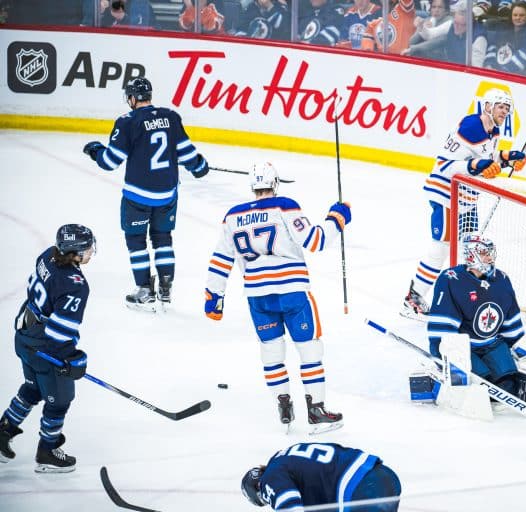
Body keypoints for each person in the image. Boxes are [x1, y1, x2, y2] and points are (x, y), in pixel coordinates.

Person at [204, 162, 349, 432]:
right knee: (309, 349)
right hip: (292, 292)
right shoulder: (285, 206)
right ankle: (316, 411)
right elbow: (315, 240)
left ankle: (284, 408)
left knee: (271, 352)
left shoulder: (232, 216)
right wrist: (337, 219)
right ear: (275, 183)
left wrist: (214, 294)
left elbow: (221, 258)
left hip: (258, 297)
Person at [82, 77, 209, 311]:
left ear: (132, 98)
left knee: (136, 241)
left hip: (137, 197)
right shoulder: (171, 117)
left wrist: (95, 150)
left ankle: (144, 290)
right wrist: (200, 166)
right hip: (167, 195)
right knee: (163, 238)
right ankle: (165, 287)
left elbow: (110, 161)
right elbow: (188, 155)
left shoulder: (127, 122)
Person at [402, 88, 526, 318]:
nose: (504, 112)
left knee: (472, 249)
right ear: (487, 106)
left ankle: (468, 300)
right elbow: (446, 165)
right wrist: (475, 166)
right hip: (446, 196)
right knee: (440, 249)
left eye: (507, 108)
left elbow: (486, 158)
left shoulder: (494, 131)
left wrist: (507, 158)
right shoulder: (470, 127)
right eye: (500, 107)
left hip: (467, 199)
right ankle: (413, 299)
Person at [0, 225, 95, 473]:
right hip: (45, 347)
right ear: (75, 252)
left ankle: (2, 432)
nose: (91, 252)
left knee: (33, 388)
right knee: (60, 400)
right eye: (87, 248)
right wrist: (72, 361)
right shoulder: (75, 285)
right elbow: (59, 334)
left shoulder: (47, 255)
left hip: (25, 334)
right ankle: (47, 452)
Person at [426, 234, 526, 402]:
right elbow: (442, 327)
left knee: (508, 385)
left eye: (490, 252)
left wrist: (509, 348)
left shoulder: (502, 279)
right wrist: (444, 355)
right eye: (484, 253)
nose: (490, 257)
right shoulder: (451, 280)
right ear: (470, 255)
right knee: (480, 388)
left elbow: (510, 321)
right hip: (464, 348)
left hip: (492, 344)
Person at [241, 442, 401, 511]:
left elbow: (290, 508)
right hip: (382, 476)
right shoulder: (285, 459)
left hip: (360, 488)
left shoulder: (269, 478)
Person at [484, 1, 526, 77]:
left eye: (522, 15)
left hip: (515, 78)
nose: (518, 18)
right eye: (515, 15)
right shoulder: (504, 30)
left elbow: (523, 59)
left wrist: (500, 72)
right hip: (495, 73)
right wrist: (489, 65)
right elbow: (493, 47)